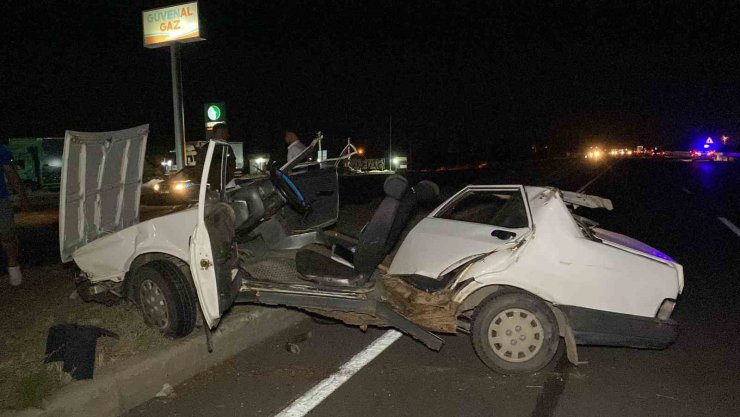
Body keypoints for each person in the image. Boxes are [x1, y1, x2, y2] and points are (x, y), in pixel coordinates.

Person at [0, 143, 30, 286]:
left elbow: (11, 173)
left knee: (7, 235)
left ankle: (13, 265)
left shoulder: (1, 150)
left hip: (1, 199)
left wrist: (22, 196)